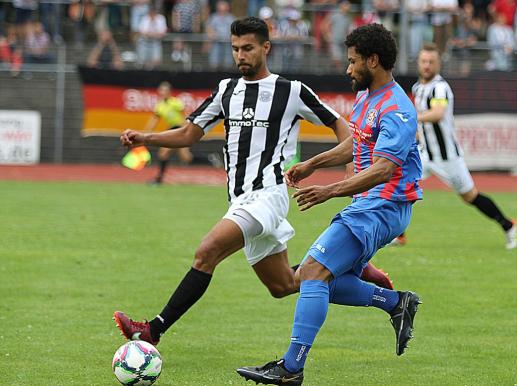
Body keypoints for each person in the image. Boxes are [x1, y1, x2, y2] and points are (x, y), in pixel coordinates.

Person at [114, 17, 394, 346]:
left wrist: (352, 164)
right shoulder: (225, 91)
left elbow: (340, 125)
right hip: (241, 198)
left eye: (247, 48)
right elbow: (189, 133)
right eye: (235, 49)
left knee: (206, 252)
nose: (240, 56)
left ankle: (152, 330)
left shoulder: (291, 91)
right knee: (285, 285)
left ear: (265, 47)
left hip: (268, 196)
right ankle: (370, 283)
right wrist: (146, 137)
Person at [237, 23, 422, 386]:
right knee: (314, 276)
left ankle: (291, 368)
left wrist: (329, 190)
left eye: (353, 62)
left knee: (313, 272)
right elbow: (358, 144)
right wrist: (313, 164)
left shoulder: (398, 109)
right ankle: (395, 302)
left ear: (373, 60)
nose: (348, 69)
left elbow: (384, 169)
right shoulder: (368, 97)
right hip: (369, 207)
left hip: (382, 207)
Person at [408, 43, 517, 249]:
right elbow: (421, 124)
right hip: (425, 154)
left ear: (438, 64)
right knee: (400, 185)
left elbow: (437, 113)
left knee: (470, 196)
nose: (427, 65)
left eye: (431, 62)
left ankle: (508, 225)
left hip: (448, 157)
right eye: (424, 61)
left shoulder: (440, 87)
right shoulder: (417, 87)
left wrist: (412, 118)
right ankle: (399, 234)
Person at [141, 81, 194, 185]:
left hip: (180, 129)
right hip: (172, 129)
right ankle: (211, 160)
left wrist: (188, 129)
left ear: (169, 92)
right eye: (160, 90)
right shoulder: (160, 105)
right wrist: (146, 132)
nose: (161, 92)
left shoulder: (176, 102)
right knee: (185, 157)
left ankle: (158, 179)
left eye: (164, 90)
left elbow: (185, 115)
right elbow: (154, 119)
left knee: (168, 153)